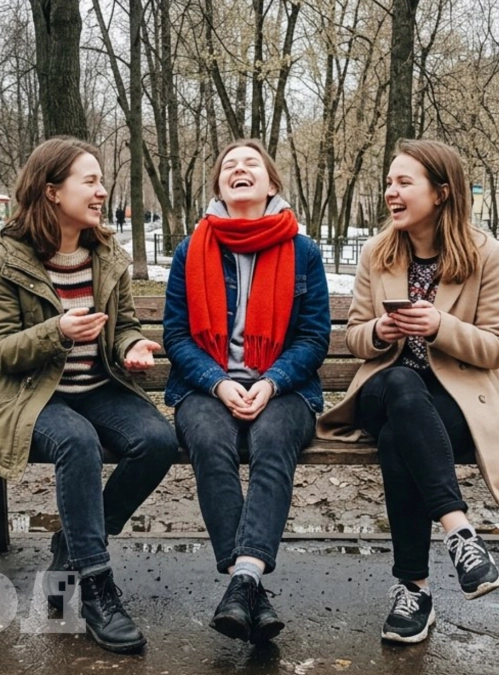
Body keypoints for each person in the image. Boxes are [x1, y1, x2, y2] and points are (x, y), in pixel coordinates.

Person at [0, 137, 177, 654]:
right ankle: (98, 588)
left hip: (98, 387)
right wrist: (58, 331)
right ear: (52, 190)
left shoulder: (105, 254)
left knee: (158, 440)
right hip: (30, 397)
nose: (102, 191)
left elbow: (122, 325)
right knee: (77, 442)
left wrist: (132, 346)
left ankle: (71, 547)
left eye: (101, 181)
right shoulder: (6, 260)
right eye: (90, 181)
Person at [317, 140, 499, 645]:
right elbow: (353, 335)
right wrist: (380, 334)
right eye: (390, 182)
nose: (392, 192)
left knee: (398, 440)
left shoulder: (485, 255)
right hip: (382, 389)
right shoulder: (378, 251)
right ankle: (460, 533)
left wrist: (440, 326)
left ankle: (413, 590)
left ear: (441, 191)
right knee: (400, 383)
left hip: (456, 404)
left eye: (404, 182)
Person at [163, 139, 331, 644]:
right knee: (209, 443)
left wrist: (272, 381)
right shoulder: (191, 250)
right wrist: (217, 382)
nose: (239, 170)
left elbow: (313, 337)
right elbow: (176, 336)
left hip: (285, 388)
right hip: (204, 387)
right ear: (218, 185)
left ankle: (241, 582)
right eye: (229, 166)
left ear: (271, 183)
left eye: (250, 164)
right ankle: (249, 583)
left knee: (272, 442)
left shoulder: (303, 252)